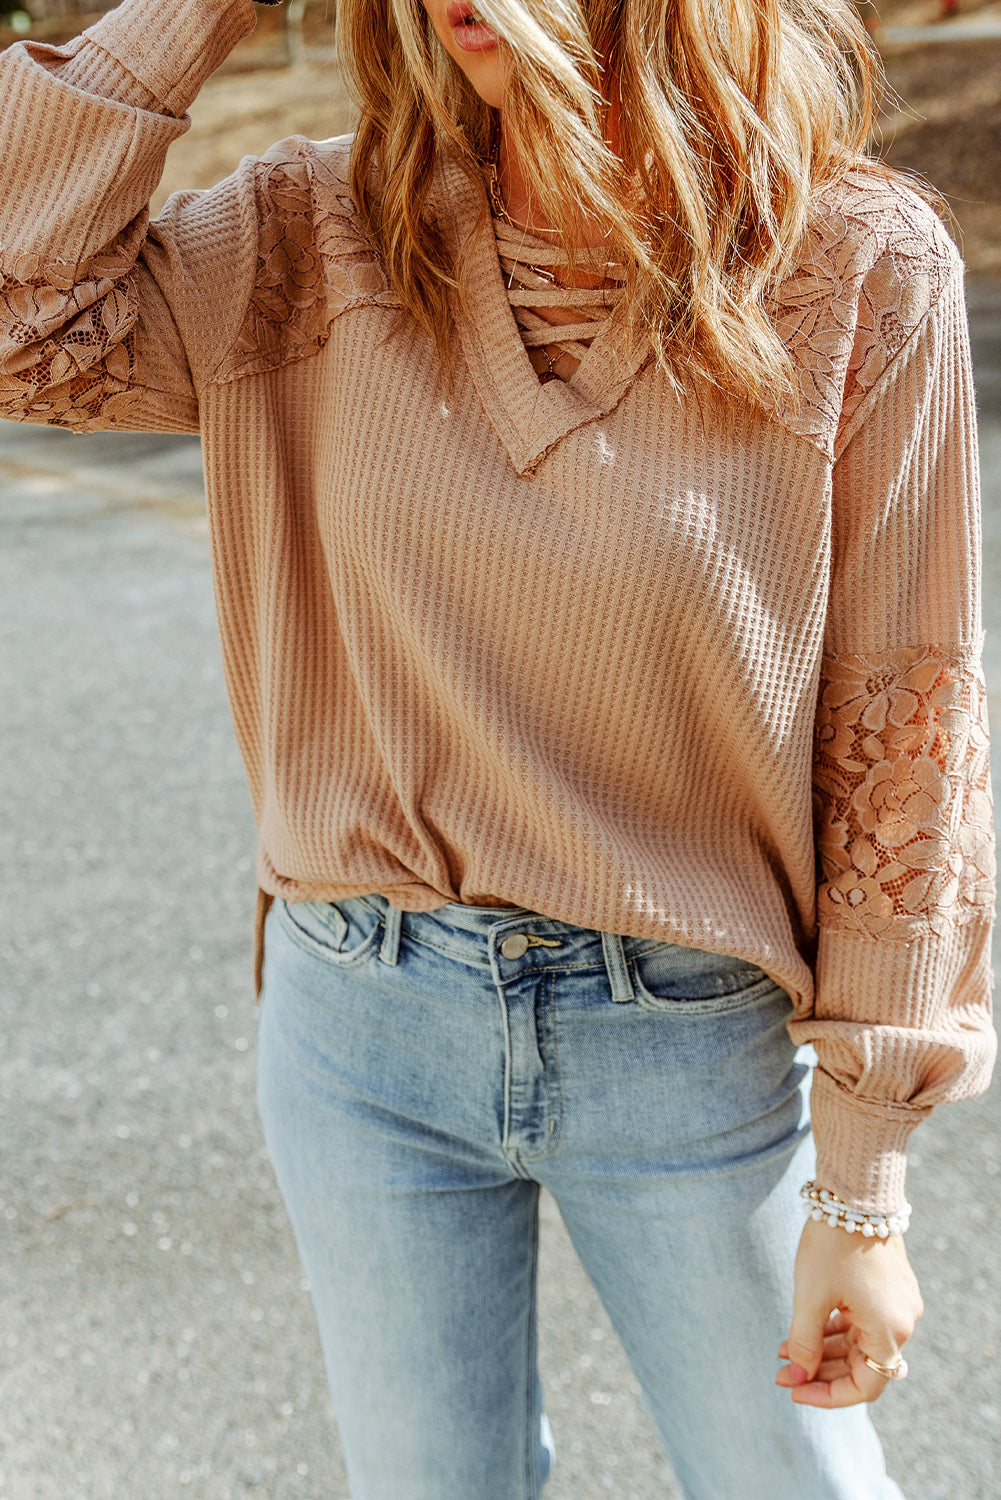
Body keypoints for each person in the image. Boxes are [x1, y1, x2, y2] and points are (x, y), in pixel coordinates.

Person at [0, 0, 995, 1495]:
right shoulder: (304, 232)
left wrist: (862, 1193)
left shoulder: (852, 263)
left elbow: (900, 733)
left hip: (684, 1039)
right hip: (359, 1027)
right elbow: (23, 324)